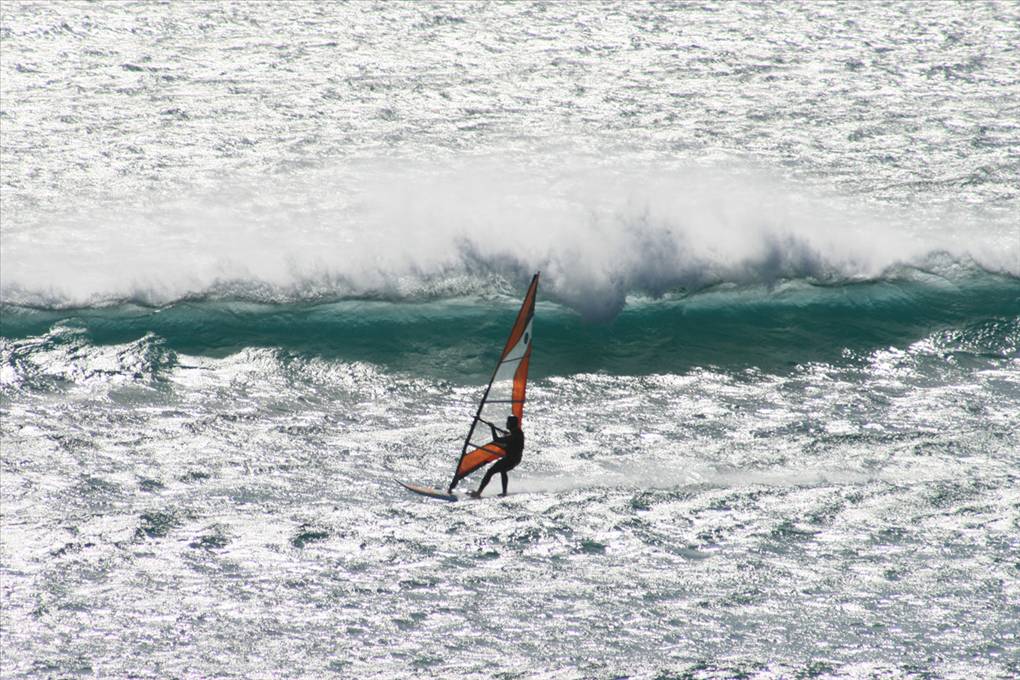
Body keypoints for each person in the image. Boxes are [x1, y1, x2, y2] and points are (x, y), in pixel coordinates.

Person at [469, 415, 524, 497]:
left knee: (490, 472)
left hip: (512, 459)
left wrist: (492, 428)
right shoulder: (516, 432)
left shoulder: (514, 436)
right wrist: (507, 434)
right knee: (502, 470)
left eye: (508, 422)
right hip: (513, 458)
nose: (506, 424)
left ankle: (479, 493)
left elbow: (497, 439)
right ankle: (504, 492)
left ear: (512, 424)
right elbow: (509, 441)